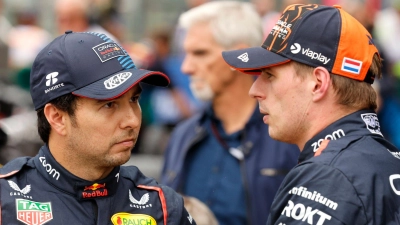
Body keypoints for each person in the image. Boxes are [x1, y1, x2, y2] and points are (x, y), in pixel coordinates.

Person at [222, 3, 400, 224]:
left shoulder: (328, 177)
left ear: (318, 84)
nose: (254, 90)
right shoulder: (386, 159)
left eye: (269, 75)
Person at [0, 31, 196, 225]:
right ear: (57, 117)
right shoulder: (5, 201)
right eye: (109, 105)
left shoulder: (163, 207)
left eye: (134, 99)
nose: (133, 121)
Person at [160, 2, 299, 225]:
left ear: (240, 54)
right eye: (186, 53)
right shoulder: (183, 136)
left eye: (200, 53)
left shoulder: (291, 137)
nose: (186, 67)